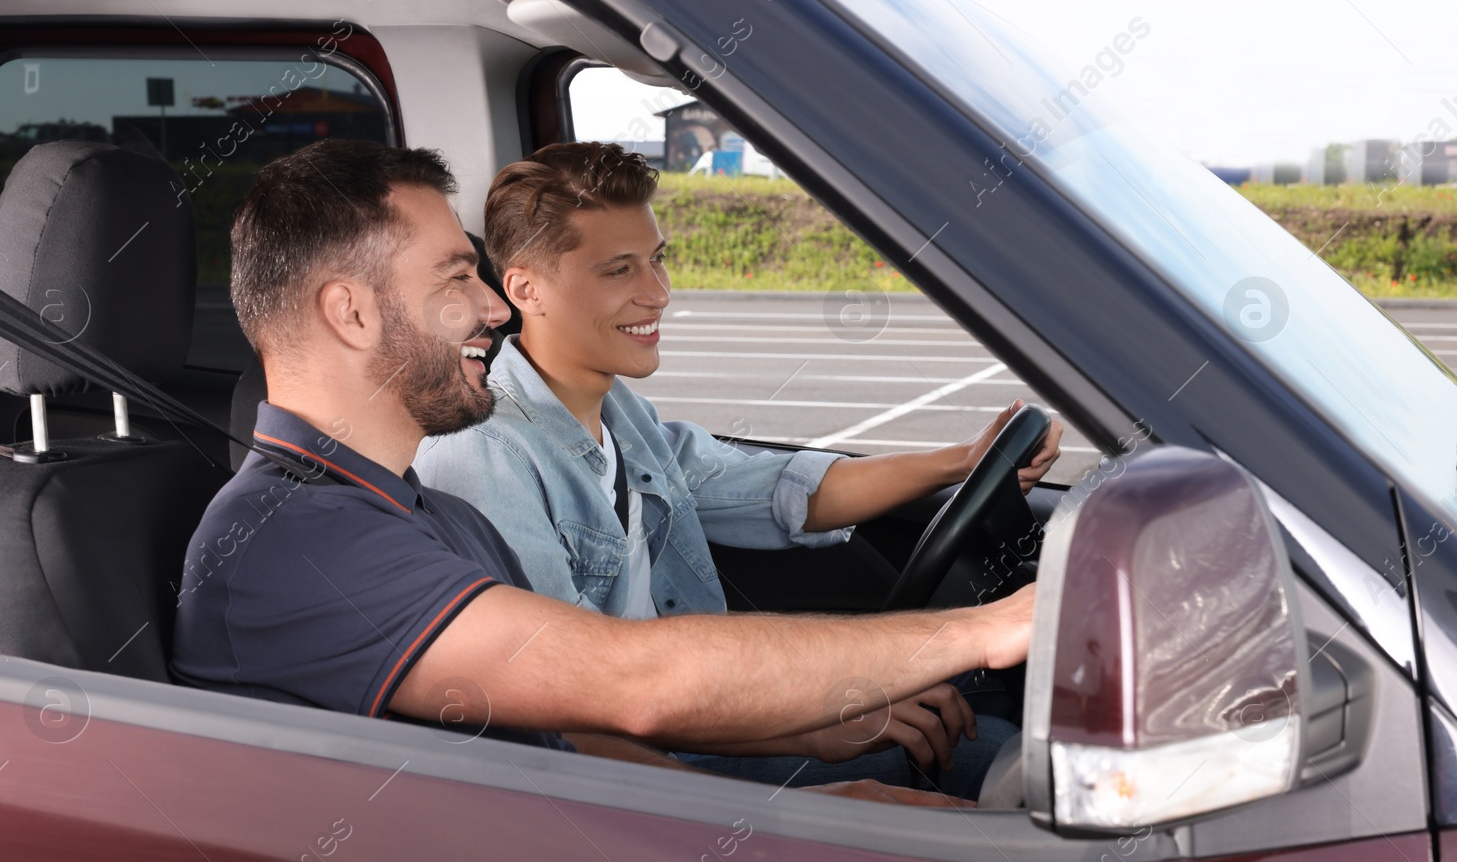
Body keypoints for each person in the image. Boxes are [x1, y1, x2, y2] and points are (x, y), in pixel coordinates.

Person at [171, 138, 1037, 809]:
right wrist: (987, 630)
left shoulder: (419, 512)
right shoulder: (291, 540)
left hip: (577, 840)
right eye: (457, 277)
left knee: (998, 778)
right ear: (350, 313)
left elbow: (554, 731)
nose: (492, 308)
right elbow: (626, 684)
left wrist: (811, 752)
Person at [414, 141, 1062, 797]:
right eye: (619, 270)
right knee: (1000, 768)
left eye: (657, 260)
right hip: (650, 769)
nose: (659, 293)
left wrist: (961, 463)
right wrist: (808, 725)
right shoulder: (485, 454)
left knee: (985, 703)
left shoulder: (623, 414)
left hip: (703, 717)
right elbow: (567, 715)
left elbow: (779, 492)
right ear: (526, 287)